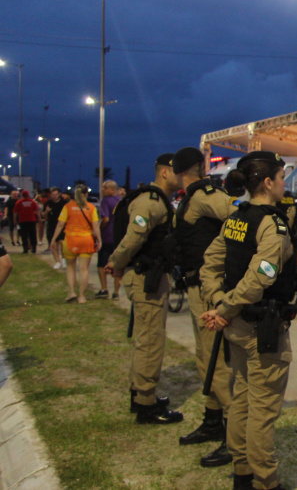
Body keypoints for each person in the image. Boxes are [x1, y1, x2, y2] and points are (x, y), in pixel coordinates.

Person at [199, 152, 297, 490]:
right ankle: (265, 481)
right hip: (261, 329)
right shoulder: (272, 222)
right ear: (268, 183)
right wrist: (223, 308)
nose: (285, 185)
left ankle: (242, 472)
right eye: (282, 178)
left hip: (237, 327)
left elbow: (210, 265)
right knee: (262, 408)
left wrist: (218, 303)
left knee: (242, 397)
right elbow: (260, 277)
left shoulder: (236, 218)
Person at [105, 154, 184, 424]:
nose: (182, 175)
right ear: (164, 172)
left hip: (149, 276)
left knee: (145, 339)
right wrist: (116, 263)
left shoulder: (159, 201)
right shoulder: (151, 203)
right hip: (146, 278)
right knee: (150, 342)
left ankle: (140, 394)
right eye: (178, 171)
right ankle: (146, 404)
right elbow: (133, 238)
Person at [171, 146, 237, 468]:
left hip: (208, 289)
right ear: (199, 165)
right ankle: (213, 420)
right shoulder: (191, 196)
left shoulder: (201, 195)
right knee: (204, 360)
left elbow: (237, 212)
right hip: (197, 287)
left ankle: (232, 435)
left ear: (177, 171)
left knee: (216, 362)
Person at [50, 184, 102, 303]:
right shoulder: (91, 207)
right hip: (86, 240)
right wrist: (99, 239)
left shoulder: (68, 206)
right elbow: (95, 225)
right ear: (86, 194)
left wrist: (53, 239)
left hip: (70, 240)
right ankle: (82, 296)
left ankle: (72, 292)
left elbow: (60, 224)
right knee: (83, 269)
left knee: (70, 268)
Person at [96, 179, 122, 298]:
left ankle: (104, 289)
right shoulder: (121, 201)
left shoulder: (105, 201)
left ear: (112, 189)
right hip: (119, 238)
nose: (102, 190)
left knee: (102, 264)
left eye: (105, 187)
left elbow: (105, 219)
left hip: (107, 237)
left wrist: (99, 230)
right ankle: (116, 292)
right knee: (117, 265)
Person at [44, 187, 67, 269]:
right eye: (52, 195)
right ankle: (57, 261)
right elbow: (43, 215)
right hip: (51, 225)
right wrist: (47, 211)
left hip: (63, 226)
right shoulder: (48, 203)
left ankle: (64, 259)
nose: (54, 196)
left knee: (62, 243)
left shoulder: (64, 203)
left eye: (56, 194)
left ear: (59, 194)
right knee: (53, 244)